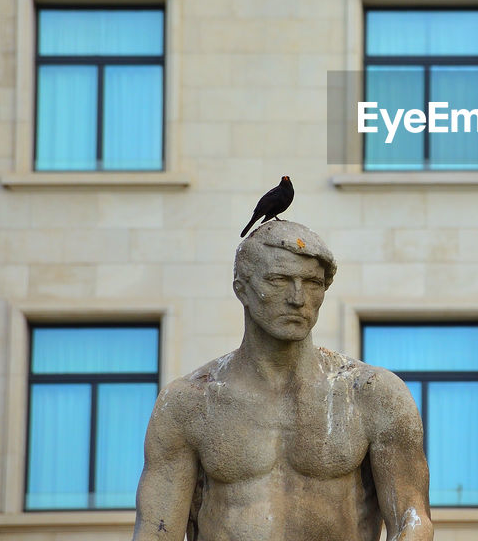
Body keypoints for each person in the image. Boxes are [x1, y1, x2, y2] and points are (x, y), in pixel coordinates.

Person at [131, 220, 433, 541]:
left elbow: (412, 520)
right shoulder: (187, 403)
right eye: (278, 280)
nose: (297, 298)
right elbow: (156, 530)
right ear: (242, 289)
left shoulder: (373, 395)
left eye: (313, 283)